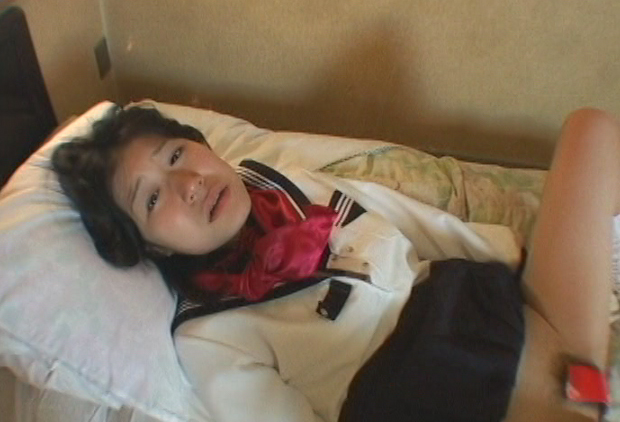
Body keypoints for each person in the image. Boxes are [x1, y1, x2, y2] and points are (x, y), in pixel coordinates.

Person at [51, 104, 620, 422]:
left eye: (176, 155)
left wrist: (525, 265)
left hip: (485, 303)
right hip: (428, 387)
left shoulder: (285, 184)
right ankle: (582, 391)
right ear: (152, 246)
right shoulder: (208, 336)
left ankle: (585, 386)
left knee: (591, 130)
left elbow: (415, 224)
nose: (188, 184)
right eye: (152, 199)